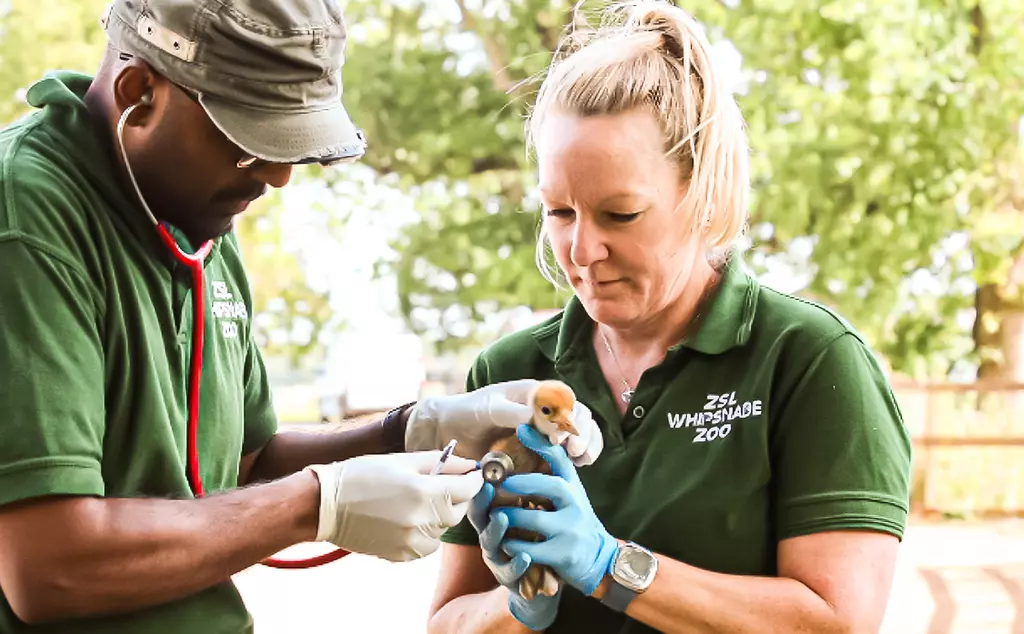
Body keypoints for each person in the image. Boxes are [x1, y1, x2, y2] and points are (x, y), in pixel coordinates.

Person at [0, 1, 606, 633]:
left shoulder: (195, 213)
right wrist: (319, 502)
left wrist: (410, 431)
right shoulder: (27, 226)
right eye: (249, 143)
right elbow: (50, 568)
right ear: (139, 93)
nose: (280, 175)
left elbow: (243, 465)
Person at [427, 1, 913, 633]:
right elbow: (446, 621)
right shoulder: (510, 374)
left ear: (703, 194)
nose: (581, 251)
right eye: (560, 212)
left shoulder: (809, 360)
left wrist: (611, 567)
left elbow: (834, 623)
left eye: (620, 214)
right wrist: (521, 605)